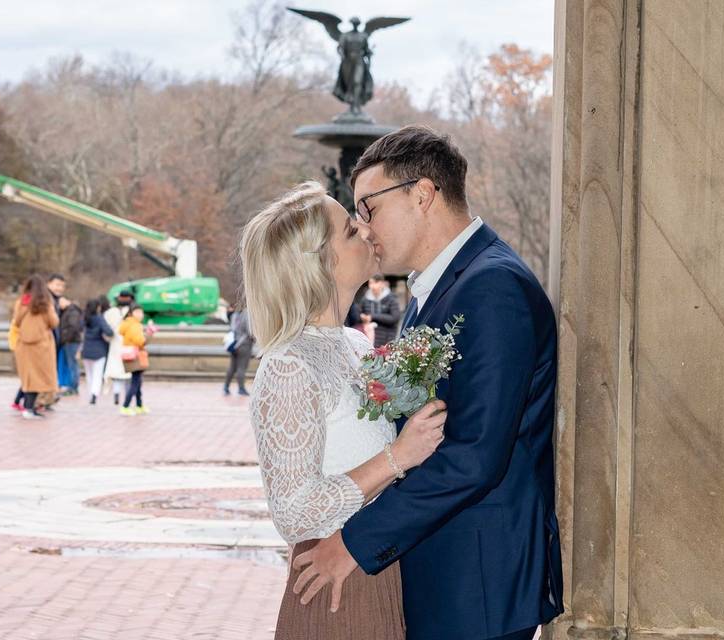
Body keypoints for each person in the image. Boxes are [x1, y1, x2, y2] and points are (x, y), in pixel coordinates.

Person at [290, 126, 563, 640]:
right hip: (445, 570)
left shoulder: (492, 286)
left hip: (474, 583)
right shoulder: (434, 288)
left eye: (369, 207)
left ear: (422, 194)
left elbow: (475, 456)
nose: (364, 227)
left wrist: (353, 541)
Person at [240, 180, 448, 640]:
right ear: (320, 262)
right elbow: (293, 513)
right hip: (336, 583)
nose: (366, 230)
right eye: (351, 231)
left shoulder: (355, 344)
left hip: (381, 565)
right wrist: (398, 457)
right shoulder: (288, 364)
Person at [12, 275, 60, 420]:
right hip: (42, 346)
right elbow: (54, 322)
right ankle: (30, 408)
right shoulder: (45, 304)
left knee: (28, 377)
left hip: (24, 345)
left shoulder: (21, 302)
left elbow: (17, 321)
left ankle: (27, 407)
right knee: (41, 377)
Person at [118, 304, 152, 417]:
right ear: (131, 313)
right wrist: (149, 334)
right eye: (137, 312)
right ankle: (125, 406)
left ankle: (139, 405)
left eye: (141, 312)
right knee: (135, 382)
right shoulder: (135, 325)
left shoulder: (127, 323)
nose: (140, 315)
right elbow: (140, 341)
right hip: (136, 356)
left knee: (137, 381)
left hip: (130, 355)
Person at [81, 297, 114, 405]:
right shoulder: (99, 318)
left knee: (89, 374)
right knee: (97, 374)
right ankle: (94, 394)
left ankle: (91, 393)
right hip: (99, 349)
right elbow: (109, 332)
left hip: (86, 349)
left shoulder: (84, 318)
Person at [103, 290, 134, 404]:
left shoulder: (111, 312)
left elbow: (105, 328)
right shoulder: (132, 312)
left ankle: (117, 393)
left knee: (115, 371)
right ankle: (127, 396)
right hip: (127, 344)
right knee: (126, 371)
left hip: (115, 343)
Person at [358, 275, 401, 347]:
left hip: (387, 338)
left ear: (382, 284)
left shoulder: (391, 299)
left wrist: (372, 317)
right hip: (369, 338)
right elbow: (358, 315)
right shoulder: (365, 299)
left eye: (375, 283)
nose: (372, 286)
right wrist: (362, 317)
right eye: (370, 283)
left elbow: (394, 318)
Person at [223, 305, 254, 396]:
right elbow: (249, 332)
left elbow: (232, 329)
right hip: (244, 345)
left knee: (232, 367)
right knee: (242, 367)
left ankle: (226, 387)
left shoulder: (234, 315)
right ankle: (241, 388)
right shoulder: (247, 315)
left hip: (233, 344)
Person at [58, 296, 84, 396]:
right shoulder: (67, 311)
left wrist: (65, 338)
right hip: (69, 341)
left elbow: (73, 327)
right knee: (70, 365)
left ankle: (73, 387)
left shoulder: (72, 311)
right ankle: (71, 387)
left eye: (61, 301)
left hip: (71, 342)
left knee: (72, 365)